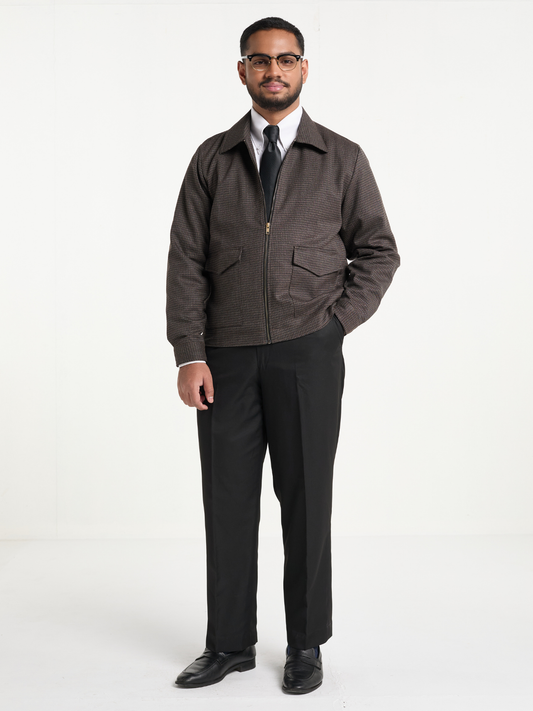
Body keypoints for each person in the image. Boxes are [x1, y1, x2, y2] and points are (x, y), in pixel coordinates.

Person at [166, 16, 400, 694]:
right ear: (242, 70)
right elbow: (186, 260)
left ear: (304, 68)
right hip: (226, 359)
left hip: (308, 355)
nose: (274, 70)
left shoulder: (341, 157)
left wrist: (334, 326)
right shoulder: (211, 159)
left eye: (286, 59)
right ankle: (228, 643)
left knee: (306, 502)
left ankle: (305, 644)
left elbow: (379, 252)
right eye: (261, 60)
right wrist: (189, 352)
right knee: (227, 502)